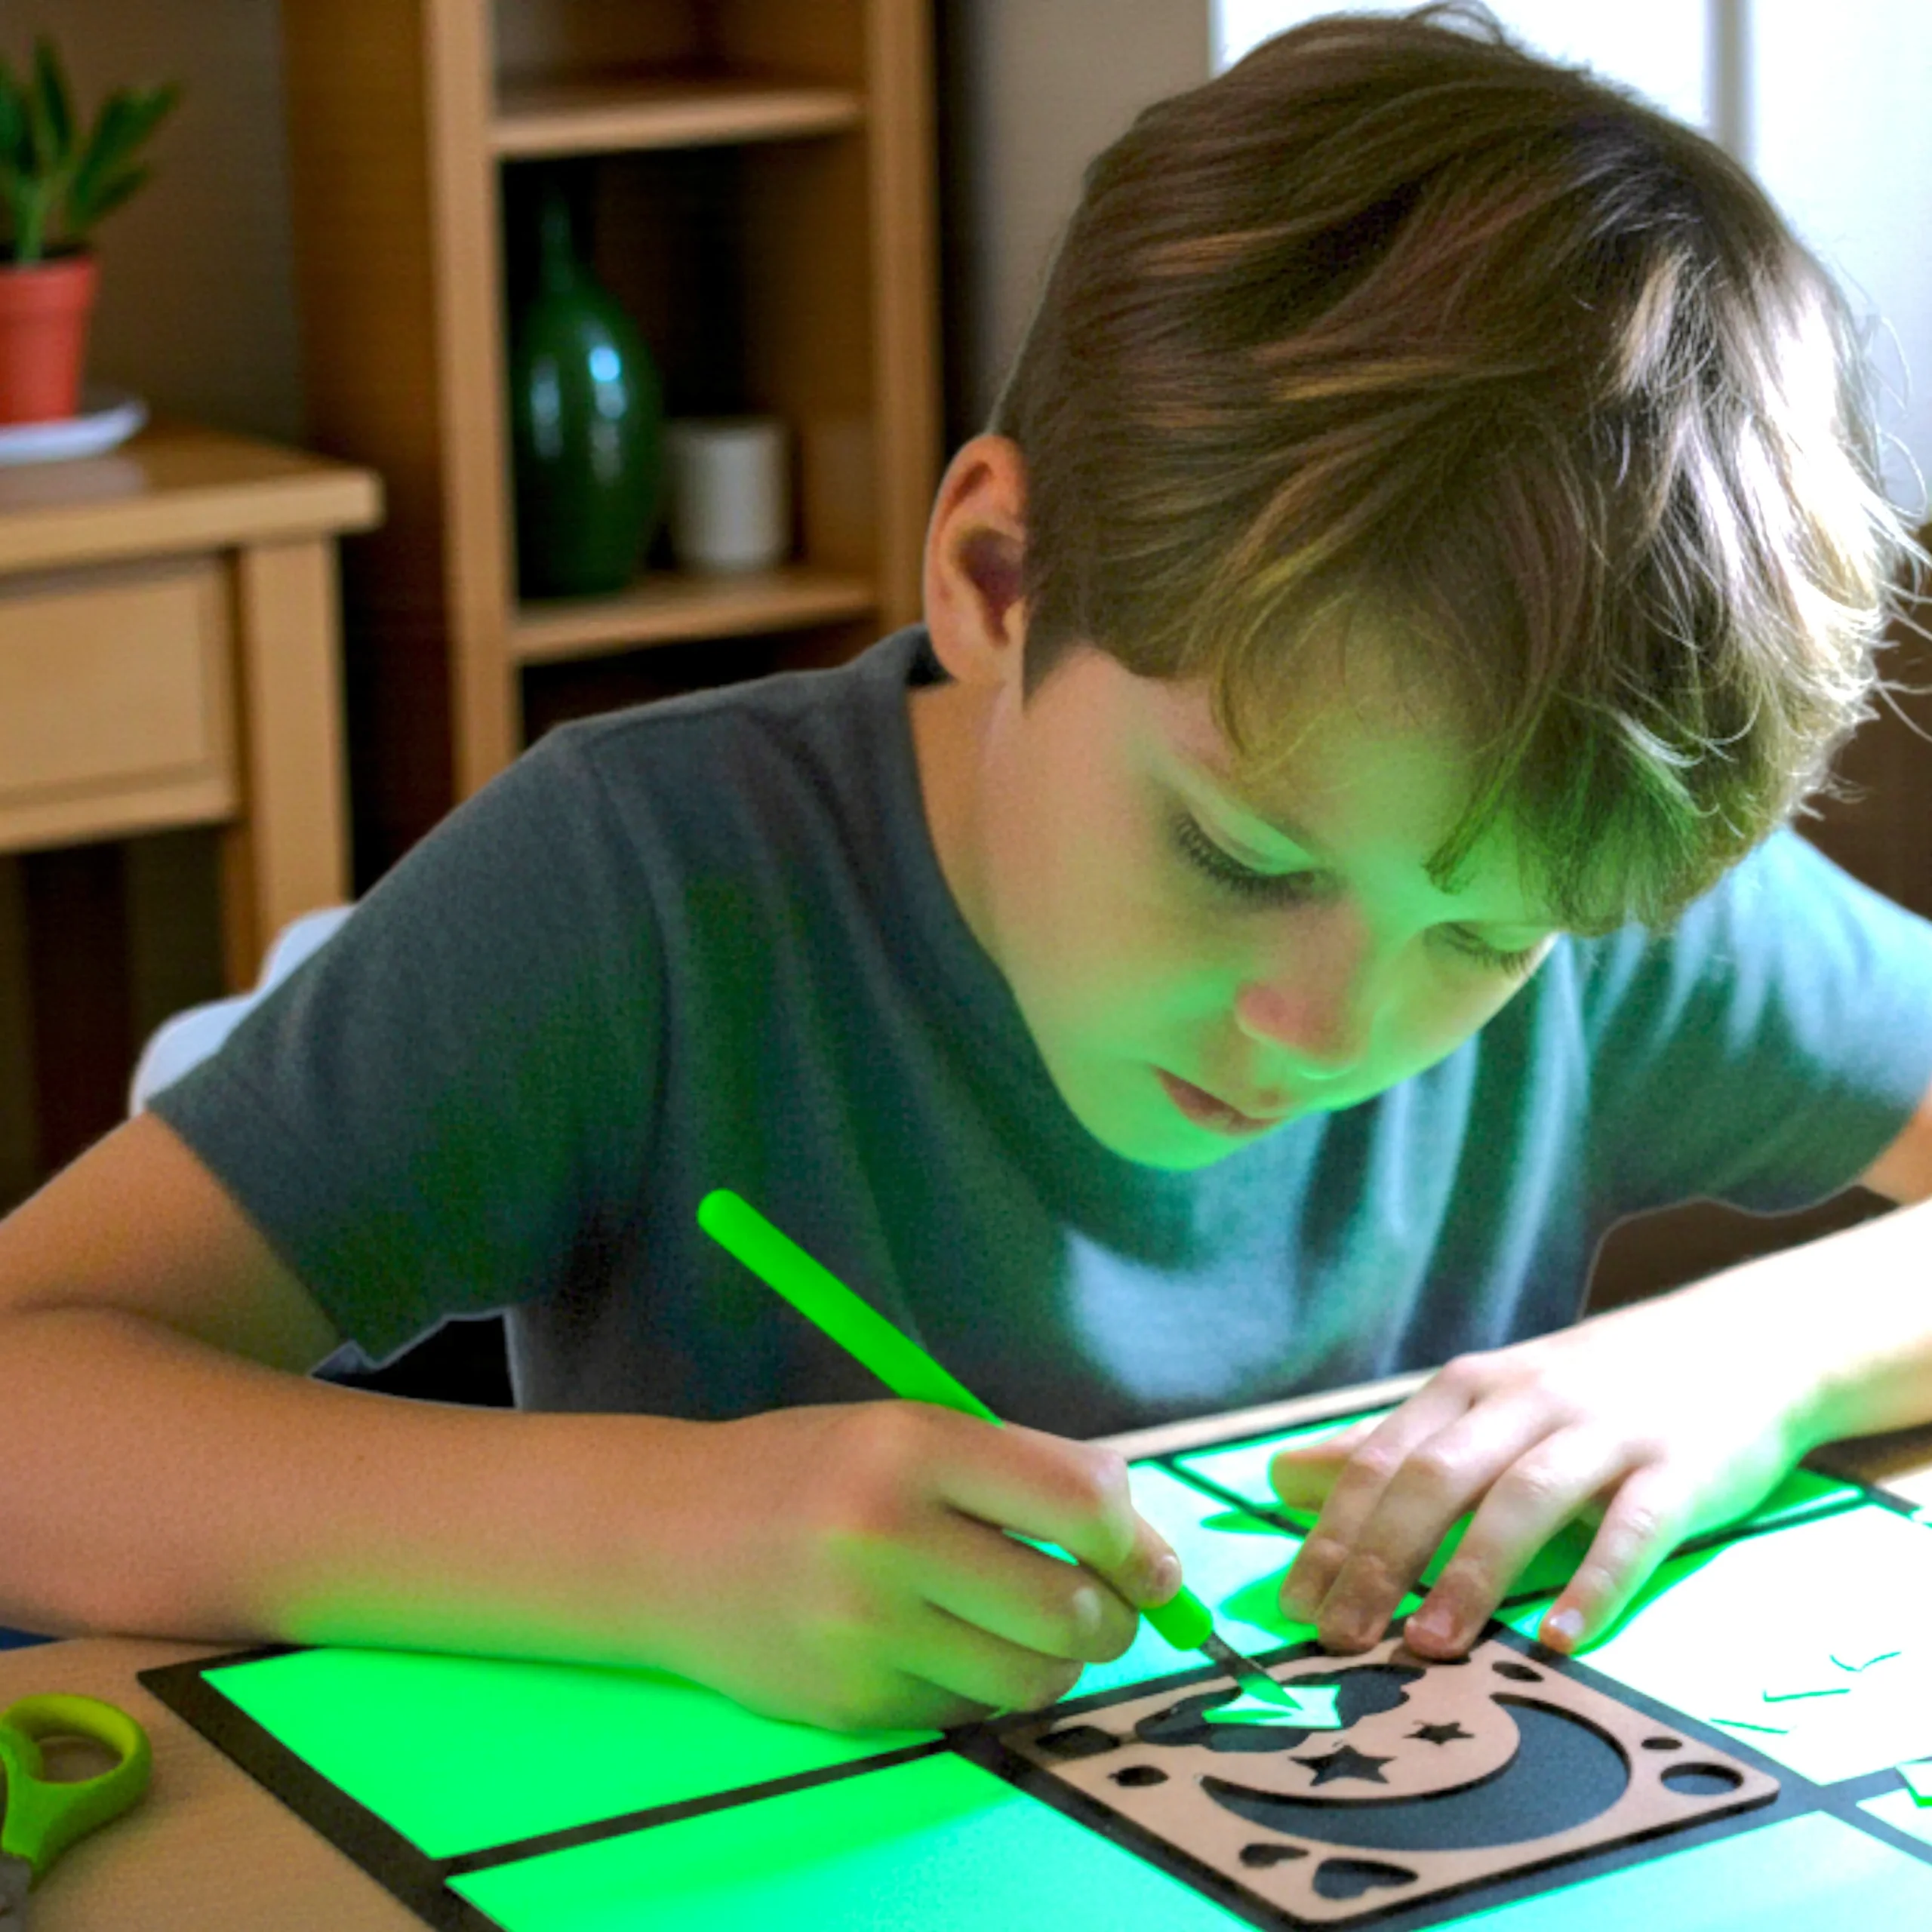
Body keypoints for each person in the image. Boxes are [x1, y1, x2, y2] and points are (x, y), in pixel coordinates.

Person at [2, 3, 1930, 1733]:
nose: (1324, 1025)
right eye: (1238, 852)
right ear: (999, 578)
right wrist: (649, 1538)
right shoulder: (648, 891)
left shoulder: (1558, 843)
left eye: (1483, 936)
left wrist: (1748, 1357)